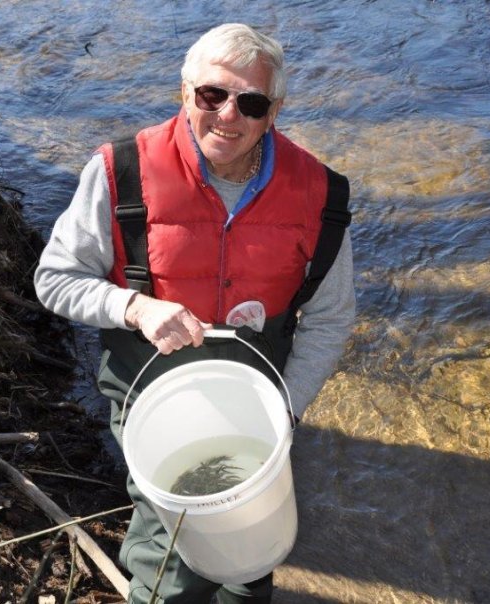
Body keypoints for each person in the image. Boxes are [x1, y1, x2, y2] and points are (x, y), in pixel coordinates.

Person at [34, 23, 355, 604]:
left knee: (253, 553)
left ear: (274, 111)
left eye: (251, 103)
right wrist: (133, 307)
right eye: (213, 95)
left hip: (256, 407)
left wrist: (283, 412)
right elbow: (54, 279)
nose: (228, 116)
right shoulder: (119, 172)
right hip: (153, 401)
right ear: (185, 92)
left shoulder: (319, 194)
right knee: (170, 560)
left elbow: (331, 319)